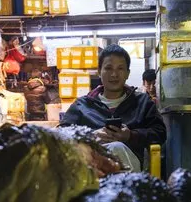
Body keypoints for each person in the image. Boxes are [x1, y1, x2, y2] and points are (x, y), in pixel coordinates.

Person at [60, 44, 166, 172]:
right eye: (108, 68)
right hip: (92, 169)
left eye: (120, 68)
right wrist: (90, 137)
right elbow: (61, 135)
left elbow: (160, 133)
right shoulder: (82, 105)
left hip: (130, 169)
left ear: (127, 73)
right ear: (99, 72)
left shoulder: (142, 102)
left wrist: (130, 136)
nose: (114, 74)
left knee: (117, 148)